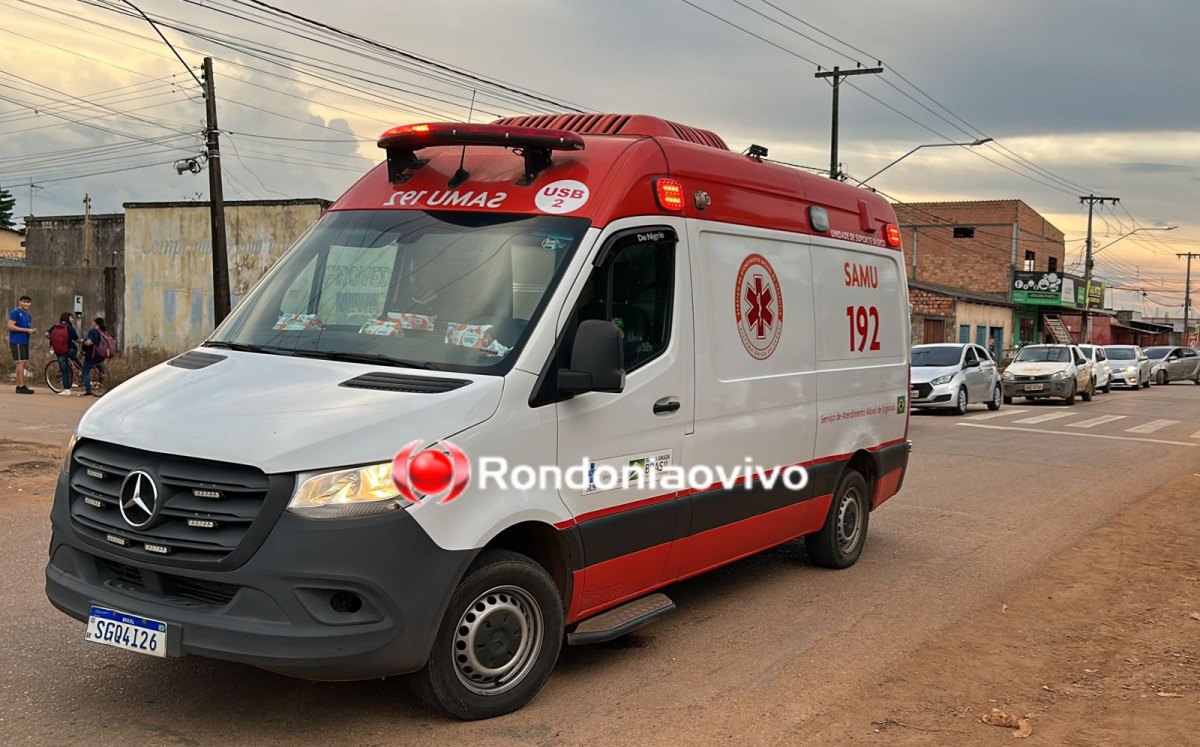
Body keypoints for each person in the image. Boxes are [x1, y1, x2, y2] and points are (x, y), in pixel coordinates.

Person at [7, 295, 37, 394]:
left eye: (28, 302)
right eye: (24, 301)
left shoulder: (28, 315)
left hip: (25, 341)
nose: (26, 303)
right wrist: (26, 330)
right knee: (20, 362)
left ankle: (19, 385)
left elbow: (27, 328)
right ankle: (21, 386)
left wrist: (32, 330)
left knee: (23, 363)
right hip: (17, 341)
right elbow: (10, 326)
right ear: (20, 302)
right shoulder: (15, 312)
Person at [45, 312, 80, 396]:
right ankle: (81, 371)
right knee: (74, 361)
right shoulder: (70, 328)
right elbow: (76, 338)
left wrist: (53, 339)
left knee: (64, 370)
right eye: (71, 318)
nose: (72, 319)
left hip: (59, 351)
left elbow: (46, 334)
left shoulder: (55, 326)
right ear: (68, 318)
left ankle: (67, 389)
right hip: (71, 349)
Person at [80, 317, 108, 397]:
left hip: (92, 354)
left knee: (85, 371)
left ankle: (88, 391)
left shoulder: (93, 331)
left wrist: (84, 342)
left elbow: (89, 343)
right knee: (97, 363)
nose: (92, 324)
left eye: (93, 322)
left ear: (96, 324)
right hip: (101, 354)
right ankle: (102, 373)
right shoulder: (103, 332)